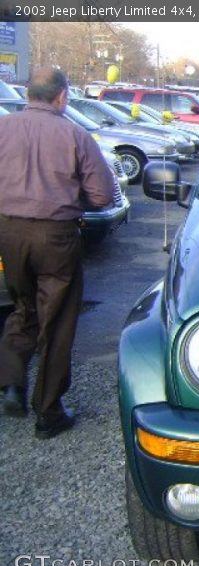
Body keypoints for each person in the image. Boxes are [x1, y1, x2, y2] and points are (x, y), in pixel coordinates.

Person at [0, 67, 114, 439]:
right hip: (56, 236)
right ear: (62, 96)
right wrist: (67, 197)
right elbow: (102, 196)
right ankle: (48, 412)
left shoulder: (3, 128)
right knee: (58, 320)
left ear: (29, 93)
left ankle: (11, 382)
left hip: (9, 232)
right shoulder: (75, 135)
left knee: (23, 308)